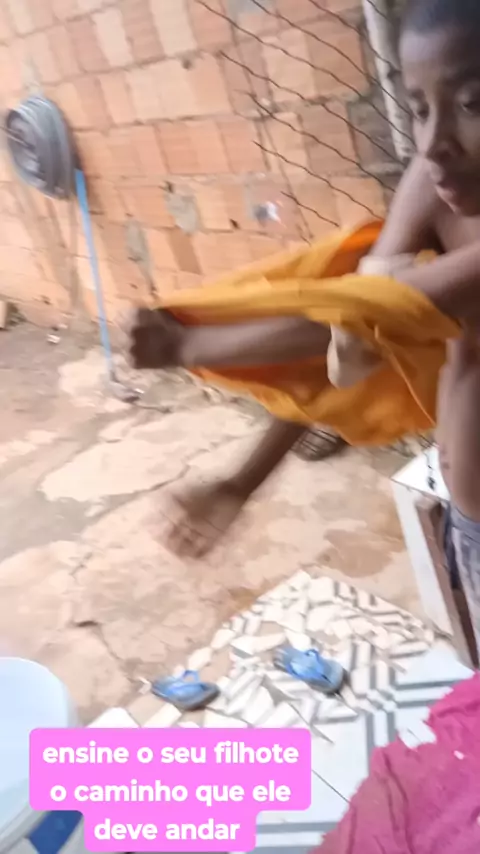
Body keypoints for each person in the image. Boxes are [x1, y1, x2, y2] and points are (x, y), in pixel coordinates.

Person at [126, 0, 480, 656]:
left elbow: (380, 310)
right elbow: (352, 340)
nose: (433, 146)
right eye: (418, 109)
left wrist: (190, 342)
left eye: (471, 104)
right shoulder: (436, 187)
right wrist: (242, 481)